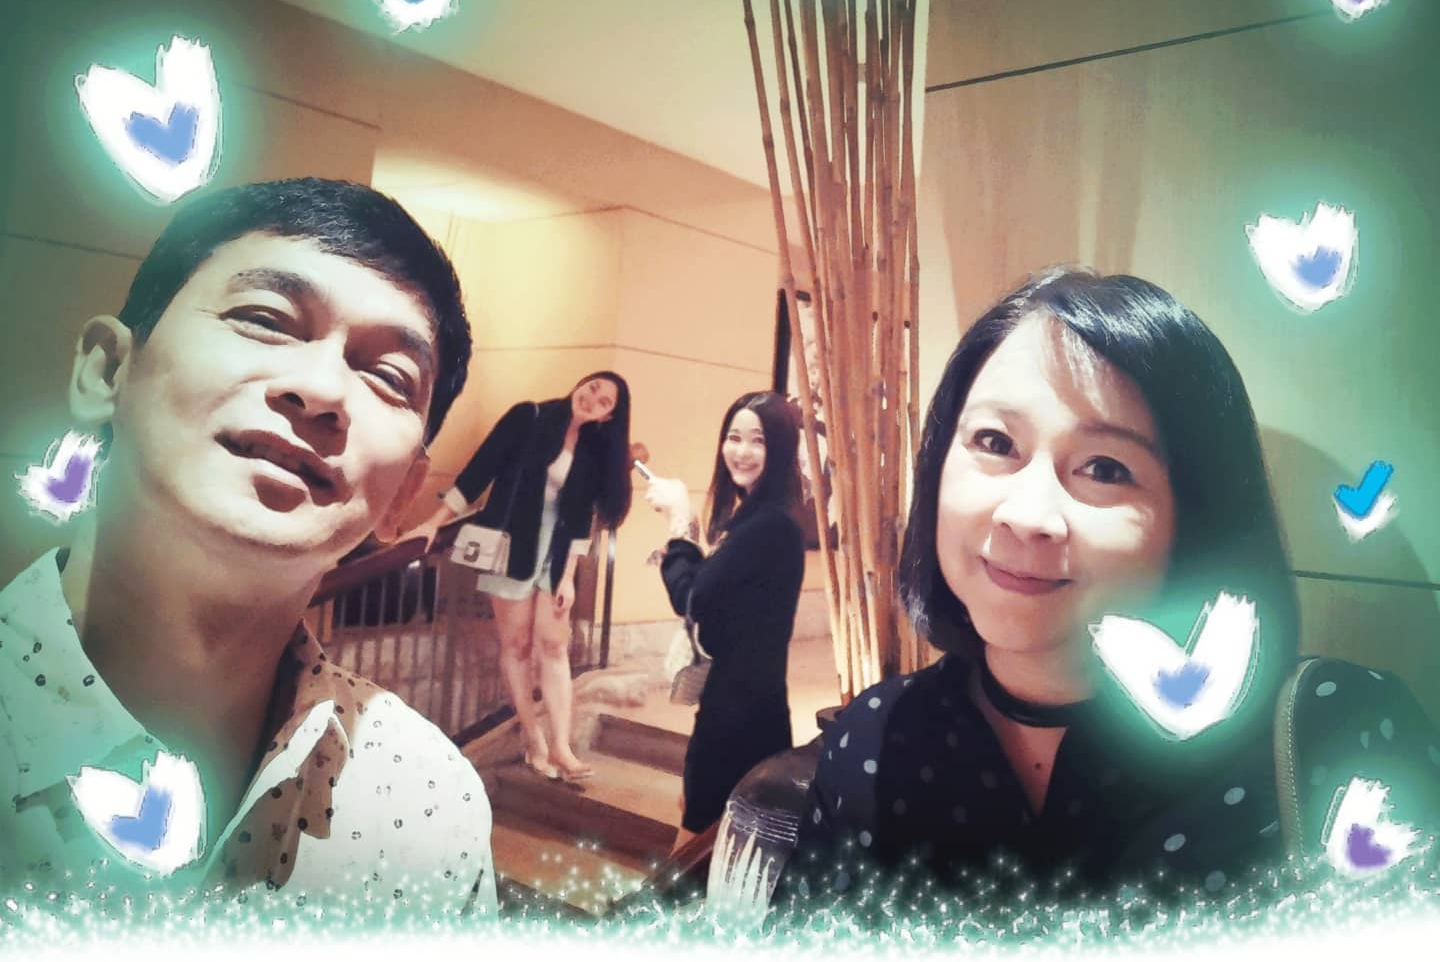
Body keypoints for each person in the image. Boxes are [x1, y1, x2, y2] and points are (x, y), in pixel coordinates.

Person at [776, 266, 1440, 914]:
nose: (1026, 515)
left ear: (1197, 520)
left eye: (1104, 468)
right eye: (995, 441)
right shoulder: (872, 740)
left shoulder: (1334, 734)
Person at [0, 178, 497, 914]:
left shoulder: (427, 802)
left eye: (389, 376)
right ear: (107, 371)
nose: (321, 390)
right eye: (264, 318)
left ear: (404, 495)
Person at [406, 374, 633, 781]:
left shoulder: (592, 449)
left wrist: (568, 577)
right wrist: (434, 522)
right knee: (517, 646)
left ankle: (561, 746)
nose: (592, 398)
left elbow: (582, 518)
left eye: (604, 402)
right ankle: (533, 738)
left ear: (608, 417)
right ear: (580, 384)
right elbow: (479, 472)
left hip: (554, 556)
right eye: (592, 387)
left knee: (554, 645)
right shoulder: (529, 417)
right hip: (511, 549)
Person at [645, 392, 807, 851]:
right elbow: (715, 595)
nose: (742, 451)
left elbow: (692, 598)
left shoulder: (770, 525)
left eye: (758, 440)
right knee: (711, 826)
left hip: (739, 714)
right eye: (734, 437)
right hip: (745, 703)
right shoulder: (756, 518)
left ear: (781, 449)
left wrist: (680, 523)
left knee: (699, 840)